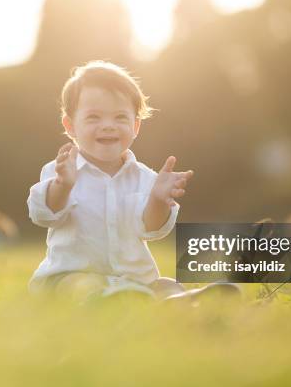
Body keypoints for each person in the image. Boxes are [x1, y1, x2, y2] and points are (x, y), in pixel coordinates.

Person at [27, 60, 194, 302]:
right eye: (94, 117)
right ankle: (110, 301)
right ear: (70, 125)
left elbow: (152, 229)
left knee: (167, 285)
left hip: (134, 279)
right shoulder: (61, 170)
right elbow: (43, 215)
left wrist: (158, 199)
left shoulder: (147, 178)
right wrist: (63, 186)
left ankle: (185, 303)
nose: (108, 126)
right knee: (80, 286)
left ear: (135, 126)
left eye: (120, 117)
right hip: (70, 275)